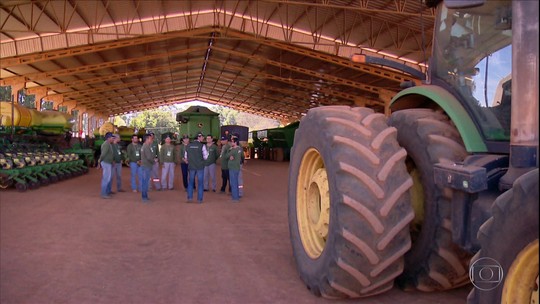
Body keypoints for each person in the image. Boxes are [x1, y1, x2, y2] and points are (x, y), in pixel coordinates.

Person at [185, 132, 208, 203]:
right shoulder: (202, 146)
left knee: (191, 182)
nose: (203, 138)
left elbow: (186, 157)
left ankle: (190, 198)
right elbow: (206, 157)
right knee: (200, 183)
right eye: (202, 137)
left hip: (191, 166)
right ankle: (199, 199)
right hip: (200, 166)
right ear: (199, 137)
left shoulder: (188, 146)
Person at [98, 132, 114, 199]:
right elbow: (103, 154)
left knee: (108, 177)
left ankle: (106, 191)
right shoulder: (106, 144)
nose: (113, 139)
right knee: (106, 178)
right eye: (112, 138)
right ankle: (103, 193)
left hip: (108, 162)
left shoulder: (108, 144)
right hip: (106, 162)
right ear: (109, 138)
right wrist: (99, 161)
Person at [227, 137, 243, 202]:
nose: (231, 143)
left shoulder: (233, 150)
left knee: (233, 183)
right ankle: (236, 196)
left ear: (235, 142)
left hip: (233, 167)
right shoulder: (240, 149)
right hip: (237, 167)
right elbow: (242, 157)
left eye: (232, 142)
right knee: (236, 182)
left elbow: (226, 156)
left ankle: (235, 198)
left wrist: (229, 150)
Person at [140, 134, 154, 202]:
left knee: (144, 182)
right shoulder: (146, 147)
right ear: (147, 139)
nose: (151, 140)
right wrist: (153, 161)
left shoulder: (144, 146)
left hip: (145, 166)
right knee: (145, 182)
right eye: (150, 138)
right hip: (146, 166)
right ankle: (144, 197)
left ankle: (144, 196)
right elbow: (149, 157)